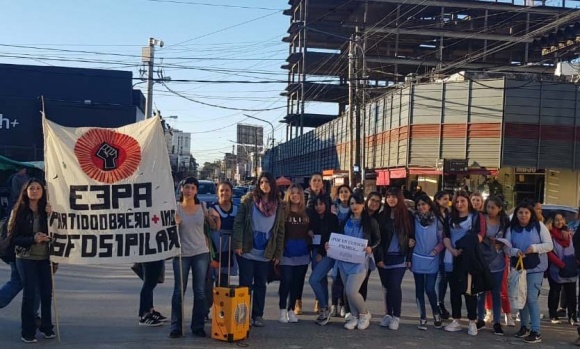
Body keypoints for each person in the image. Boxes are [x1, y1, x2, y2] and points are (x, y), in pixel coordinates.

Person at [170, 177, 220, 338]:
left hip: (201, 253)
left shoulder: (203, 207)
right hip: (181, 254)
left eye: (192, 188)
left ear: (196, 191)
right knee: (179, 291)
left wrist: (214, 217)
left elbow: (214, 227)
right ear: (181, 189)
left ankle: (198, 326)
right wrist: (173, 223)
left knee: (199, 291)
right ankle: (176, 326)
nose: (189, 191)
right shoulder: (175, 208)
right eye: (186, 187)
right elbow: (165, 230)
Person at [233, 172, 285, 327]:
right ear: (258, 184)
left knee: (261, 284)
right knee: (245, 284)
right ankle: (243, 315)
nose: (265, 185)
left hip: (266, 252)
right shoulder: (249, 201)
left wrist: (278, 253)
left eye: (267, 182)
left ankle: (257, 315)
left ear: (272, 185)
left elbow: (280, 230)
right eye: (262, 182)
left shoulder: (279, 205)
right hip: (248, 250)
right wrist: (238, 244)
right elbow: (239, 223)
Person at [10, 178, 54, 343]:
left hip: (45, 257)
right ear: (26, 191)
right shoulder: (19, 211)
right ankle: (27, 332)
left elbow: (59, 231)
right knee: (29, 294)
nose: (35, 191)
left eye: (38, 188)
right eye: (31, 188)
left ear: (43, 192)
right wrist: (33, 239)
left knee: (46, 293)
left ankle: (47, 327)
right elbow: (13, 238)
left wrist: (53, 215)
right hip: (25, 257)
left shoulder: (46, 211)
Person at [328, 192, 380, 330]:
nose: (354, 206)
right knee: (347, 291)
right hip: (344, 261)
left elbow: (377, 239)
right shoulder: (346, 220)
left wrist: (371, 248)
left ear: (363, 205)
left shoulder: (370, 221)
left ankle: (364, 313)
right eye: (351, 204)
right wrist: (330, 245)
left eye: (357, 203)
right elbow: (339, 238)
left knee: (352, 291)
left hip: (360, 262)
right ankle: (354, 316)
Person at [504, 201, 553, 344]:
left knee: (531, 298)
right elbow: (507, 247)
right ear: (516, 214)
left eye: (526, 212)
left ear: (531, 214)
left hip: (536, 268)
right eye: (520, 212)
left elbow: (549, 245)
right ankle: (524, 327)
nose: (523, 215)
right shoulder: (512, 228)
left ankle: (536, 331)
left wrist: (535, 248)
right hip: (520, 268)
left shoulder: (539, 226)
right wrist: (514, 251)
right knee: (521, 298)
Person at [443, 190, 486, 336]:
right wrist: (453, 250)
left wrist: (464, 247)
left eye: (463, 201)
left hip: (469, 259)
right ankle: (456, 320)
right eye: (457, 202)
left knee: (469, 291)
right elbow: (446, 236)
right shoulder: (449, 218)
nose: (460, 204)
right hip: (452, 258)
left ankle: (472, 321)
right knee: (454, 291)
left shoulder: (476, 217)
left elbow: (480, 235)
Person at [376, 187, 414, 331]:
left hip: (400, 257)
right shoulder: (382, 216)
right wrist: (379, 257)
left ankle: (396, 316)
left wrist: (409, 256)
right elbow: (377, 239)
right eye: (388, 196)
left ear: (399, 198)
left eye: (394, 196)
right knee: (386, 286)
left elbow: (412, 237)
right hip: (384, 257)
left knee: (394, 285)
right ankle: (388, 314)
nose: (391, 199)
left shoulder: (408, 215)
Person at [477, 196, 510, 335]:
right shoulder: (481, 219)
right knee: (481, 292)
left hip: (498, 260)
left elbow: (509, 237)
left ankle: (497, 321)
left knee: (496, 292)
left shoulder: (504, 222)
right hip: (483, 259)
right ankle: (480, 318)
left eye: (493, 208)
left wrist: (502, 242)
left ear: (500, 209)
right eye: (488, 207)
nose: (490, 210)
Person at [205, 181, 239, 321]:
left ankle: (221, 312)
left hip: (229, 249)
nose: (224, 193)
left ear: (231, 193)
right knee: (208, 281)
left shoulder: (237, 209)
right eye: (221, 191)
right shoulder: (211, 209)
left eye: (227, 190)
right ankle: (205, 310)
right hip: (214, 249)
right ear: (217, 193)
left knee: (223, 282)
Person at [411, 194, 444, 331]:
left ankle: (436, 313)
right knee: (419, 290)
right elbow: (409, 235)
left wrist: (436, 251)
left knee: (430, 288)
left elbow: (442, 239)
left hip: (432, 259)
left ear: (429, 205)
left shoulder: (437, 220)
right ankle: (422, 317)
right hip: (417, 258)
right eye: (418, 205)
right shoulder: (414, 220)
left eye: (423, 204)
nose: (421, 207)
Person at [278, 184, 310, 324]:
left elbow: (312, 229)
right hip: (286, 253)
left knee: (297, 284)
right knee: (286, 281)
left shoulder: (306, 212)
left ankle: (291, 309)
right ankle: (282, 310)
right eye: (293, 193)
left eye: (298, 193)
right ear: (288, 195)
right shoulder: (283, 211)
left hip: (302, 253)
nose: (295, 195)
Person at [300, 172, 330, 314]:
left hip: (321, 241)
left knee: (319, 272)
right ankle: (296, 300)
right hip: (305, 239)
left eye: (319, 181)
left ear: (322, 183)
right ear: (310, 183)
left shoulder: (327, 197)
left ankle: (320, 301)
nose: (317, 183)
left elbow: (328, 218)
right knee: (299, 273)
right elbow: (304, 214)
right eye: (314, 181)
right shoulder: (304, 196)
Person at [308, 195, 339, 326]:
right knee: (321, 281)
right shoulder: (313, 218)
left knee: (313, 280)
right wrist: (309, 231)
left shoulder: (332, 218)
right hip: (315, 253)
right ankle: (325, 312)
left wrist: (322, 252)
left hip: (328, 254)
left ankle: (324, 308)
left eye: (321, 204)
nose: (318, 207)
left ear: (326, 205)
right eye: (316, 204)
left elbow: (332, 237)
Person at [546, 213, 577, 325]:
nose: (559, 222)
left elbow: (574, 248)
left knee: (571, 294)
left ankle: (572, 316)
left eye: (561, 219)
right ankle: (553, 315)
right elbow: (549, 252)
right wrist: (560, 264)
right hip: (556, 269)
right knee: (555, 292)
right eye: (556, 220)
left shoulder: (570, 234)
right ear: (552, 222)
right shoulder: (549, 235)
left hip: (570, 268)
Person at [329, 184, 352, 317]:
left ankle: (343, 305)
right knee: (335, 276)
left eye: (346, 191)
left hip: (349, 247)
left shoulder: (354, 208)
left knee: (345, 278)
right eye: (341, 192)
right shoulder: (333, 208)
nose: (344, 194)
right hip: (335, 246)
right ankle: (333, 304)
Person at [434, 191, 451, 320]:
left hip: (447, 248)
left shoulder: (449, 213)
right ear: (437, 200)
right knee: (440, 276)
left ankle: (441, 302)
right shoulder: (433, 214)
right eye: (444, 199)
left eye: (448, 199)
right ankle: (438, 303)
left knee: (444, 277)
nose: (446, 201)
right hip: (435, 248)